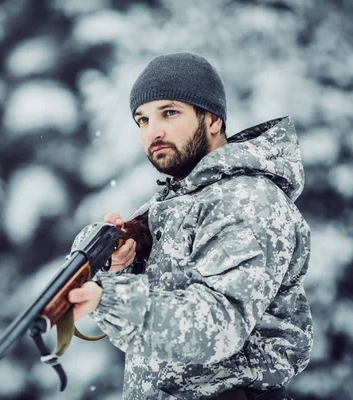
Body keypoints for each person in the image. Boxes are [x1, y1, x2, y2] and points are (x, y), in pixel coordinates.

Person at [67, 53, 313, 400]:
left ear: (212, 120)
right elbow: (165, 327)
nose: (153, 131)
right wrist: (117, 269)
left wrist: (110, 299)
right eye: (142, 120)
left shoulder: (248, 200)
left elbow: (220, 324)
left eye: (169, 113)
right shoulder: (174, 205)